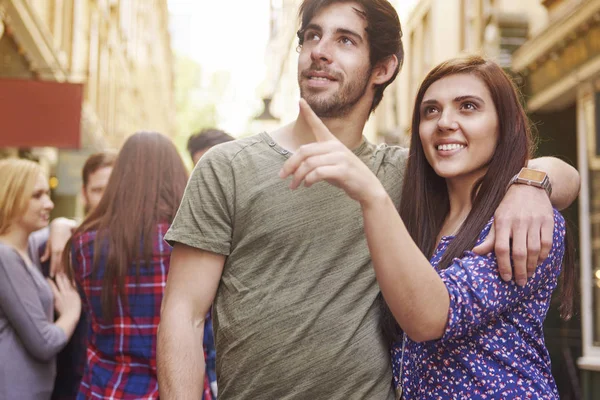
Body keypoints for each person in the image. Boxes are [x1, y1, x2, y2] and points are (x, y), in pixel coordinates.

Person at [157, 1, 580, 399]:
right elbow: (184, 314)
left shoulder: (407, 174)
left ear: (383, 67)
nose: (320, 52)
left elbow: (559, 176)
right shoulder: (226, 166)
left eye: (345, 40)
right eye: (311, 36)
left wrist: (533, 182)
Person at [281, 56, 576, 398]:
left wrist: (372, 195)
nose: (444, 122)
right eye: (430, 111)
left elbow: (430, 317)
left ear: (503, 124)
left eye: (468, 107)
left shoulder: (524, 220)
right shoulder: (419, 218)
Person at [64, 132, 189, 399]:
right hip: (179, 388)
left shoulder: (85, 244)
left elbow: (91, 316)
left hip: (105, 388)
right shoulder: (191, 245)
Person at [0, 158, 82, 399]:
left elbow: (78, 226)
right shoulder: (5, 256)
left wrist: (60, 223)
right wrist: (71, 312)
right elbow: (44, 343)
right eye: (37, 195)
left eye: (48, 194)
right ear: (9, 196)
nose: (48, 203)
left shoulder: (28, 247)